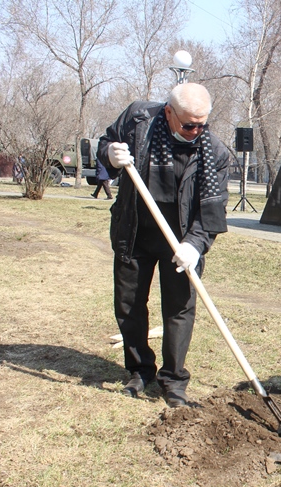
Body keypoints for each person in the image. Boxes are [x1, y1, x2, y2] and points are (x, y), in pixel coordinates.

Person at [97, 83, 230, 408]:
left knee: (179, 310)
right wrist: (112, 156)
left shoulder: (215, 152)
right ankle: (140, 370)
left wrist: (195, 246)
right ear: (169, 112)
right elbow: (105, 145)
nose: (197, 130)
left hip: (182, 241)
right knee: (129, 305)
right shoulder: (138, 121)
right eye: (189, 124)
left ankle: (173, 380)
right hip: (136, 231)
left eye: (203, 123)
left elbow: (213, 210)